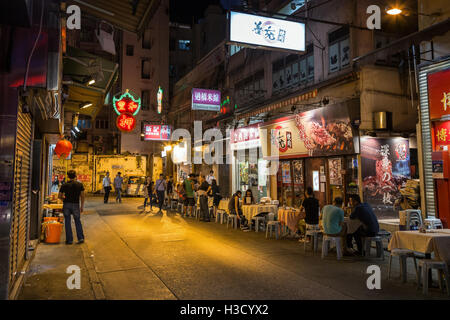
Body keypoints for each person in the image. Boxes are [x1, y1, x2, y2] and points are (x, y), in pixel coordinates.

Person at [58, 170, 85, 244]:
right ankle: (80, 238)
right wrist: (81, 206)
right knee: (77, 221)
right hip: (76, 205)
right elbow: (82, 196)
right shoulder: (80, 185)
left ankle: (69, 240)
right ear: (75, 176)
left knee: (67, 221)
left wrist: (64, 199)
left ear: (68, 176)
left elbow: (59, 196)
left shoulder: (64, 185)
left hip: (66, 205)